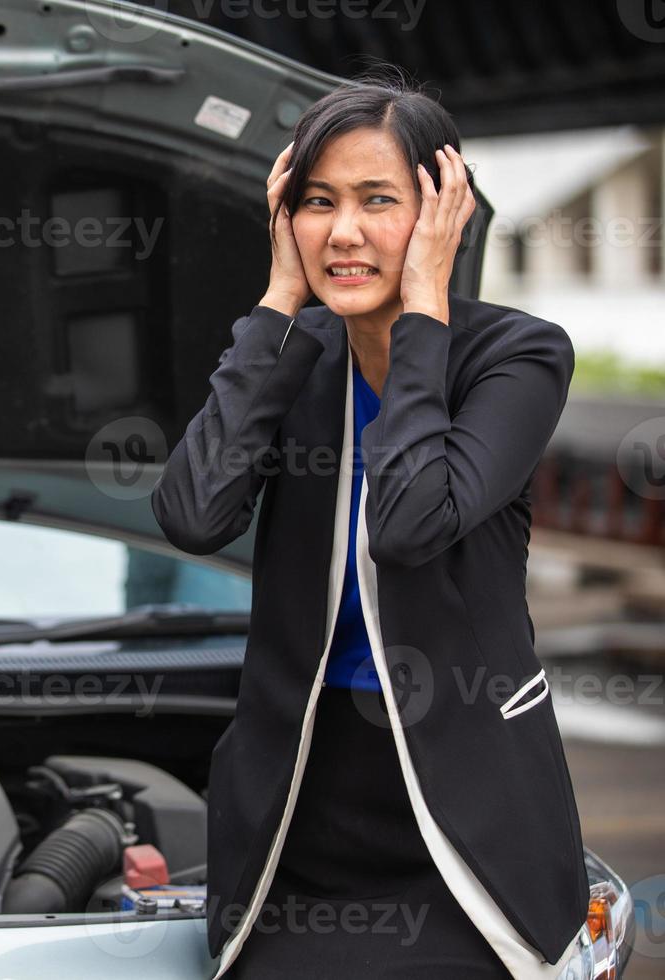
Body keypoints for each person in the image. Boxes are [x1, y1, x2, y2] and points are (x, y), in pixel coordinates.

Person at [149, 71, 589, 979]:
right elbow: (192, 515)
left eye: (377, 200)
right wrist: (279, 303)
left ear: (439, 211)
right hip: (295, 819)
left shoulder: (517, 356)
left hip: (467, 820)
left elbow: (409, 521)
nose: (342, 232)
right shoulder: (293, 357)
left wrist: (423, 311)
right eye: (317, 202)